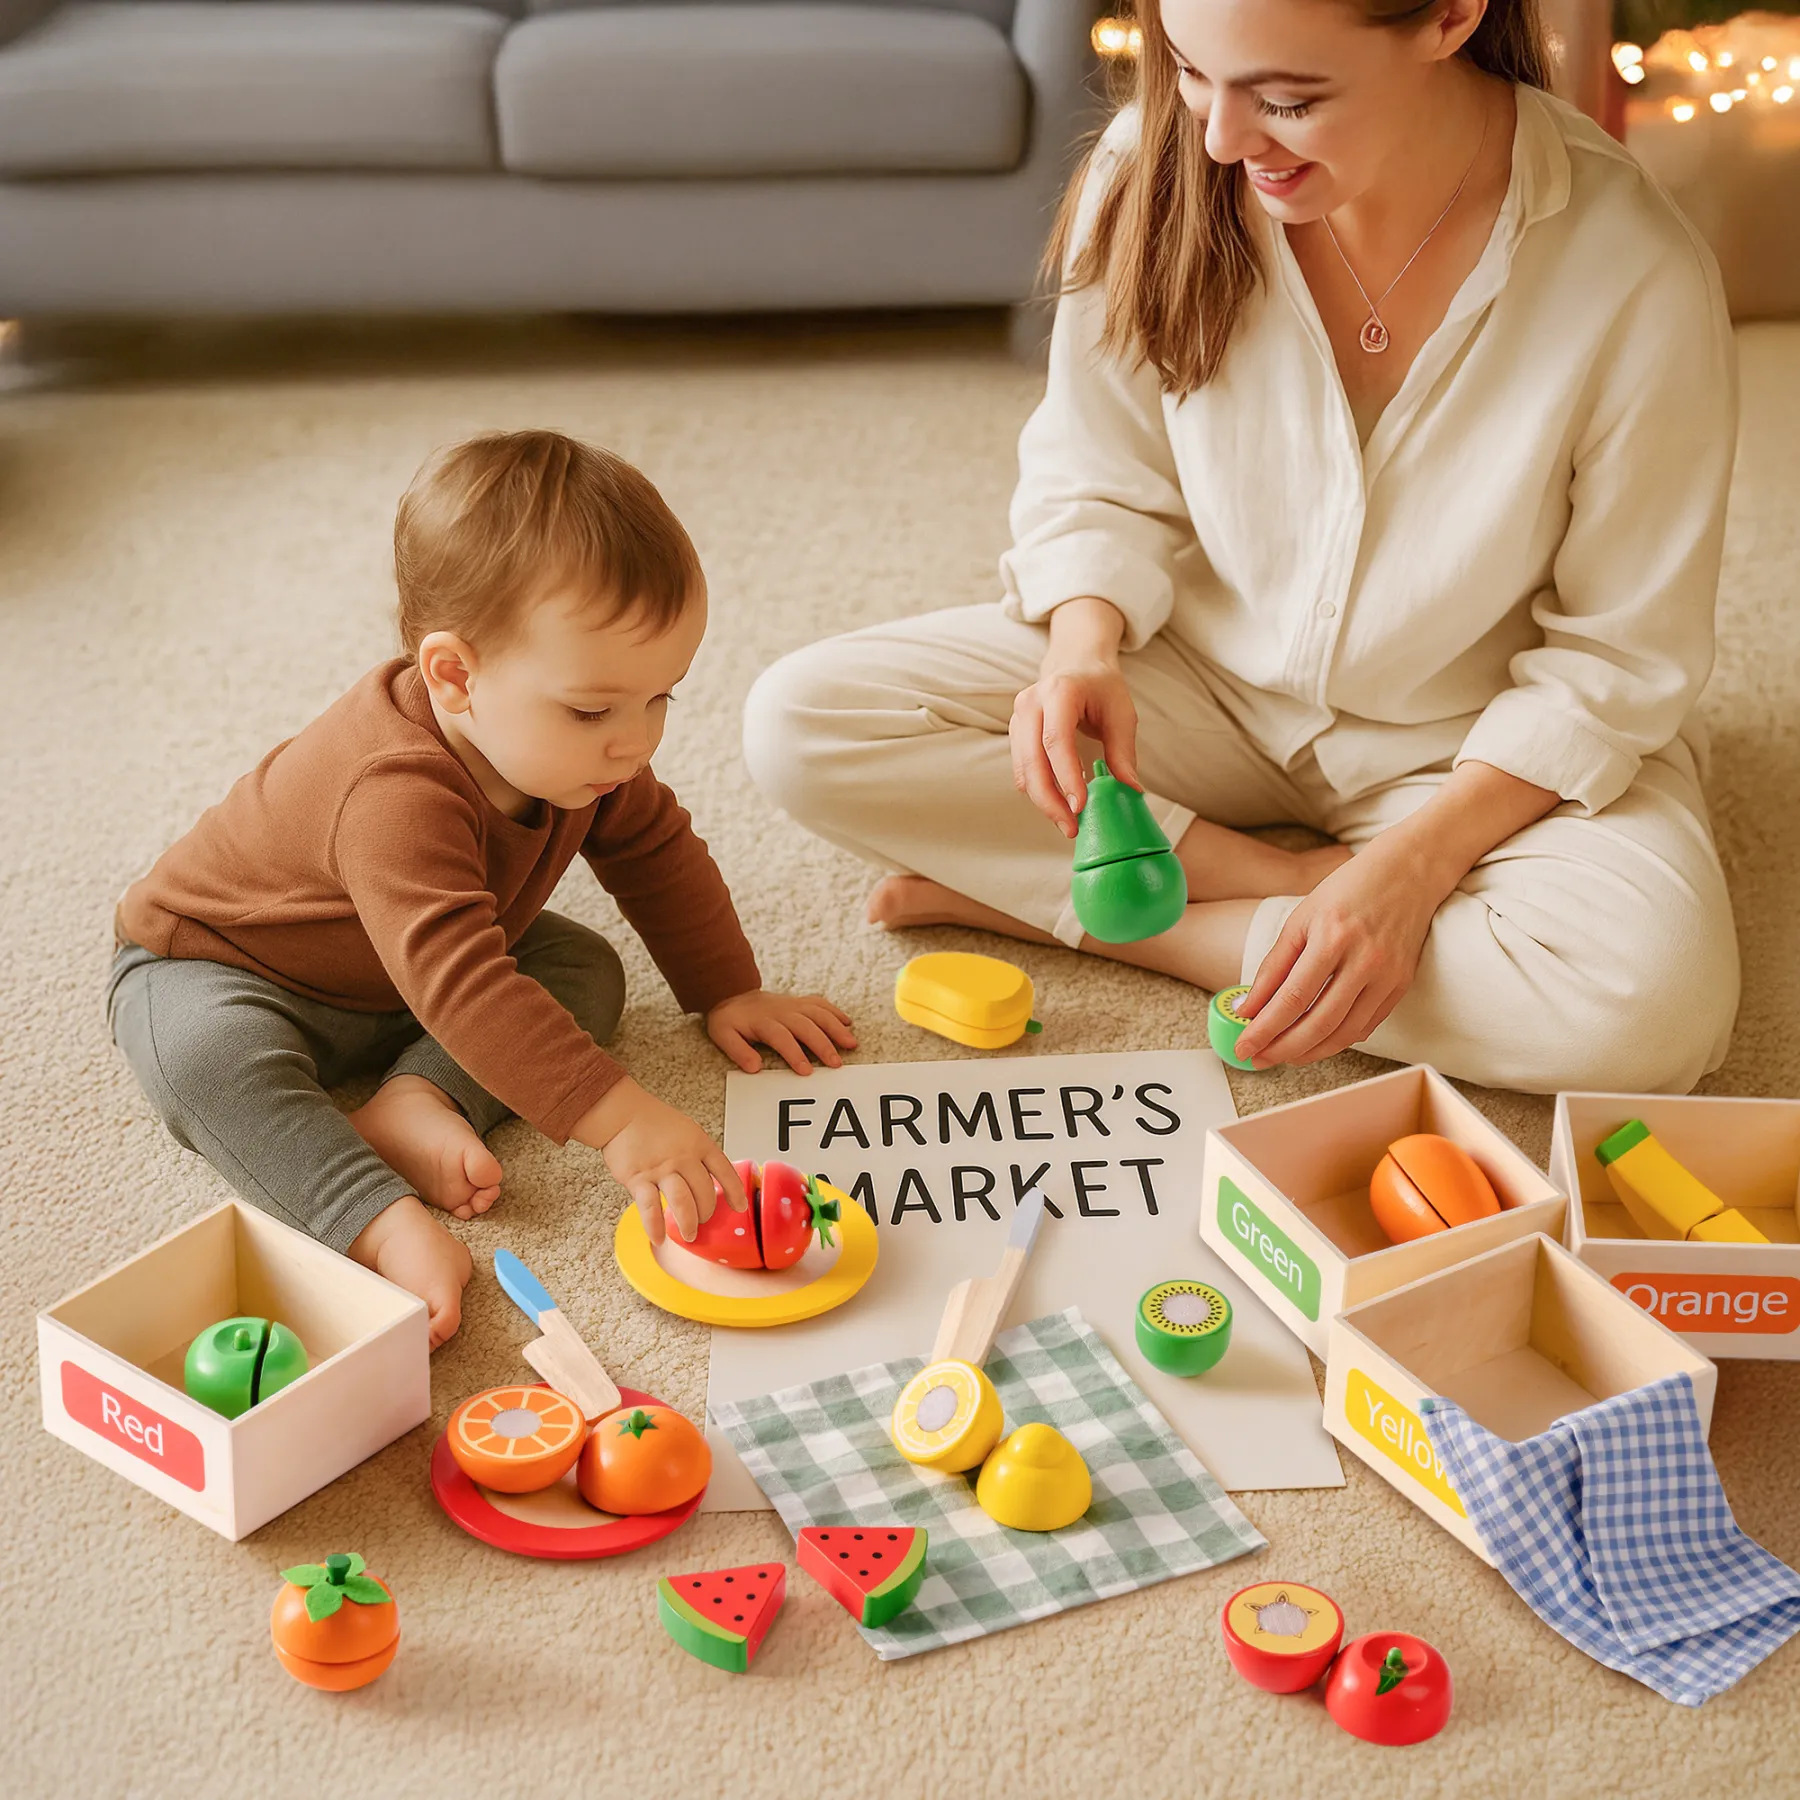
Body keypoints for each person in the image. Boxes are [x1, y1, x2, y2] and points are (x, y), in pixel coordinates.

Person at [744, 0, 1740, 1095]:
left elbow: (1617, 656)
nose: (1219, 139)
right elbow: (1097, 466)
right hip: (1197, 680)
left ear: (1451, 15)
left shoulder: (1632, 269)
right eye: (1190, 71)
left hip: (1464, 742)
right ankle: (1277, 882)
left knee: (1644, 1014)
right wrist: (1083, 647)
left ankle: (1123, 919)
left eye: (1285, 100)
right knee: (800, 723)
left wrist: (1413, 871)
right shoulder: (1154, 168)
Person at [109, 430, 856, 1345]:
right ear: (455, 676)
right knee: (206, 1063)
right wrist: (624, 1119)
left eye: (665, 697)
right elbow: (463, 984)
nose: (637, 741)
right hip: (228, 968)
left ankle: (417, 1099)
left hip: (417, 972)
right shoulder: (390, 793)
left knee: (582, 965)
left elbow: (655, 849)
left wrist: (727, 986)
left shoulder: (592, 762)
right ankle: (376, 1217)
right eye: (593, 709)